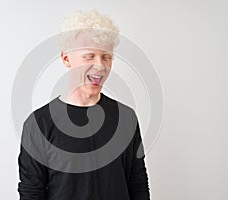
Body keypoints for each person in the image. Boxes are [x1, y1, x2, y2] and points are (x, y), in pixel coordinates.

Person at [17, 10, 151, 200]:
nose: (100, 65)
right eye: (89, 56)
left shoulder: (126, 118)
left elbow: (137, 182)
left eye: (107, 57)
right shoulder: (39, 123)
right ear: (66, 59)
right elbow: (31, 192)